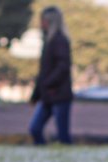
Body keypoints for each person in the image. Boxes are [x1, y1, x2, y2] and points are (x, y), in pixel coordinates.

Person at [29, 6, 73, 145]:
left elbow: (63, 67)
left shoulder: (59, 41)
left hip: (58, 94)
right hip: (47, 95)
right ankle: (42, 154)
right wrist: (36, 94)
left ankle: (65, 159)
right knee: (35, 128)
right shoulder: (48, 41)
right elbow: (43, 72)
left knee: (62, 134)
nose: (41, 24)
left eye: (43, 20)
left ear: (49, 21)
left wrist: (49, 83)